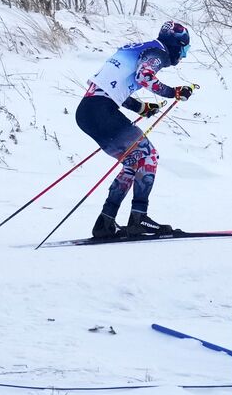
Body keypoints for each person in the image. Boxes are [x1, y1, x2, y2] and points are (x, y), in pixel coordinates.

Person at [76, 21, 196, 239]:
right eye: (184, 49)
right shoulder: (157, 52)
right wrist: (174, 92)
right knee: (148, 155)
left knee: (134, 160)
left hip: (87, 111)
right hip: (101, 111)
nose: (184, 55)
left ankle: (105, 221)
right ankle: (138, 219)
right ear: (176, 45)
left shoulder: (135, 47)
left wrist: (140, 107)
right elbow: (144, 77)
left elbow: (108, 86)